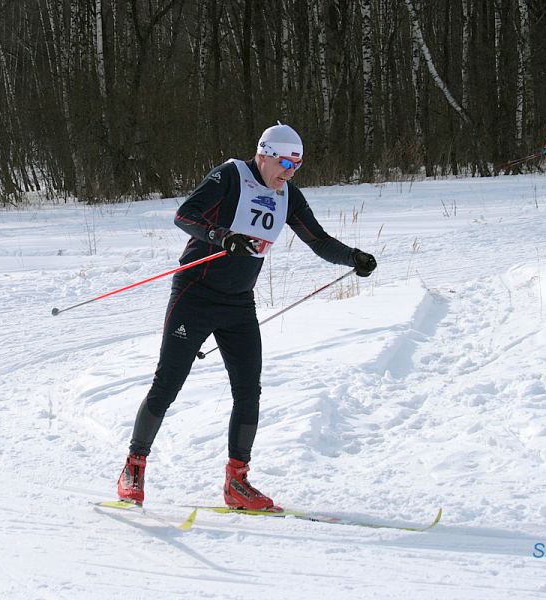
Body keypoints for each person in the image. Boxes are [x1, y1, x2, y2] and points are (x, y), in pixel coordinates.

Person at [117, 123, 377, 509]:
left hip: (239, 303)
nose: (289, 171)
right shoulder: (231, 175)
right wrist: (222, 236)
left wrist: (353, 256)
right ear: (264, 154)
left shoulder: (288, 194)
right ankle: (133, 467)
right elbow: (185, 215)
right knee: (168, 384)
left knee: (248, 389)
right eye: (284, 161)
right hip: (195, 294)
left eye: (297, 164)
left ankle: (237, 482)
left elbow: (318, 240)